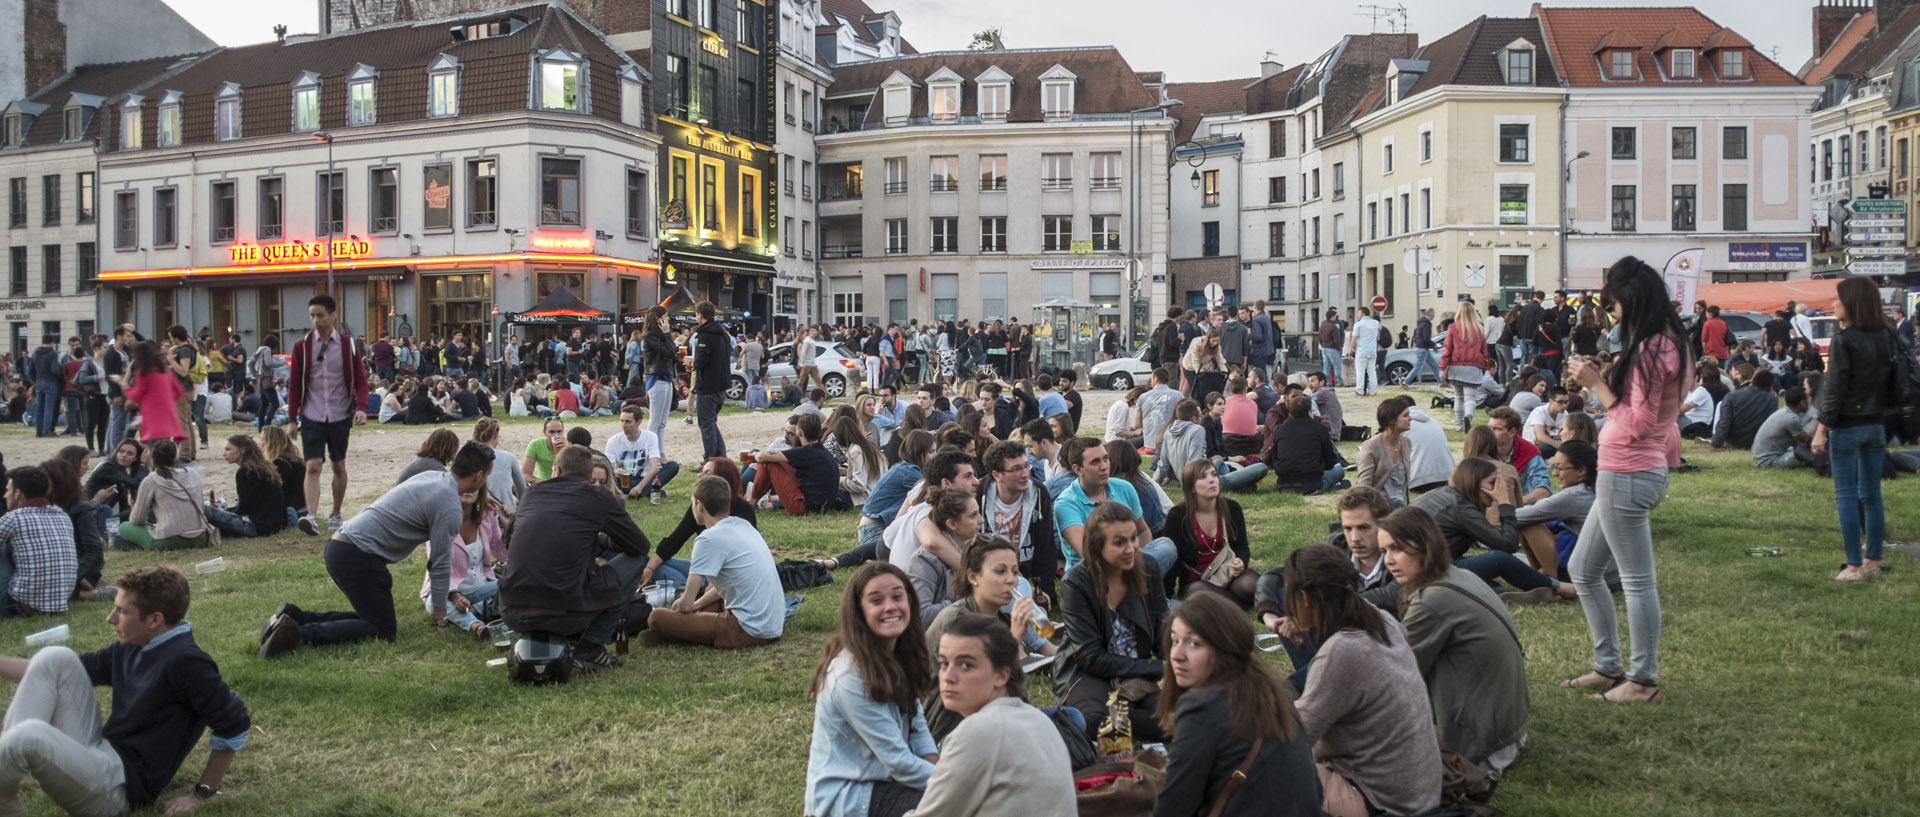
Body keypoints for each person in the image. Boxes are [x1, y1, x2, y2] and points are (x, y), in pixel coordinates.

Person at [0, 566, 249, 815]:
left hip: (117, 789)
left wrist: (201, 793)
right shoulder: (136, 643)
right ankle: (5, 787)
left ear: (155, 619)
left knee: (27, 735)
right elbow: (52, 672)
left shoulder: (186, 662)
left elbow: (234, 723)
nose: (110, 618)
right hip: (101, 753)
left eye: (121, 611)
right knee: (55, 657)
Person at [1561, 256, 1690, 704]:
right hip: (1627, 468)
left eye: (1613, 304)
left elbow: (1638, 423)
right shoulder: (1665, 342)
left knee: (1636, 580)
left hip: (1630, 469)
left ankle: (1642, 679)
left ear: (1630, 301)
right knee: (1582, 569)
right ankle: (1609, 666)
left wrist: (1597, 384)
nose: (1609, 313)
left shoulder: (1654, 348)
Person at [258, 442, 494, 658]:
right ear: (479, 475)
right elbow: (440, 564)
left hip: (342, 543)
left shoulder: (434, 477)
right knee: (382, 629)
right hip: (359, 555)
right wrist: (441, 618)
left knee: (372, 618)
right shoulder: (450, 505)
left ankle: (296, 618)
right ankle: (298, 635)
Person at [1282, 545, 1443, 817]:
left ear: (1305, 598)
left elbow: (1294, 735)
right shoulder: (1381, 619)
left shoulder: (1342, 651)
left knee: (1263, 769)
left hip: (1385, 803)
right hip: (1421, 792)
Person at [1377, 507, 1530, 773]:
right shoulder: (1461, 575)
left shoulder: (1432, 601)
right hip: (1509, 729)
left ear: (1426, 545)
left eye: (1397, 548)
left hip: (1478, 749)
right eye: (1384, 551)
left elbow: (1394, 681)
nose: (1389, 560)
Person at [1153, 592, 1320, 817]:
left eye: (1194, 643)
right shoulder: (1270, 690)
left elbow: (1173, 807)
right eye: (1174, 641)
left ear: (1224, 648)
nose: (1177, 655)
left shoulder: (1201, 707)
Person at [498, 445, 652, 671]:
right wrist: (600, 538)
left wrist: (591, 537)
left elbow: (509, 542)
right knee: (637, 560)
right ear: (590, 476)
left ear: (556, 470)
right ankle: (590, 648)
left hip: (512, 612)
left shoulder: (531, 493)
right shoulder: (597, 496)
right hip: (566, 614)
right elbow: (640, 546)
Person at [804, 563, 936, 817]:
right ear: (859, 612)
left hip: (885, 780)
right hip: (850, 796)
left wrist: (938, 769)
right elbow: (898, 762)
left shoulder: (898, 651)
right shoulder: (849, 677)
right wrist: (953, 785)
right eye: (876, 600)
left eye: (898, 597)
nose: (890, 606)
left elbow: (917, 723)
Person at [912, 612, 1075, 817]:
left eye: (966, 665)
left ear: (1002, 675)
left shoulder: (977, 732)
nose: (948, 677)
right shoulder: (1040, 720)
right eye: (944, 663)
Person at [920, 536, 1057, 742]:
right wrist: (1014, 639)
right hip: (951, 726)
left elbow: (1013, 689)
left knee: (1071, 718)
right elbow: (975, 686)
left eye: (1015, 571)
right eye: (1000, 571)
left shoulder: (999, 618)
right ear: (973, 577)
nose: (1012, 580)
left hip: (994, 717)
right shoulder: (956, 621)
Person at [1055, 501, 1169, 744]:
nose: (1131, 549)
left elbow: (1162, 629)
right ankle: (1107, 719)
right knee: (1095, 719)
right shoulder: (1076, 582)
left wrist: (1178, 662)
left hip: (1135, 667)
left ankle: (1128, 719)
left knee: (1175, 716)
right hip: (1085, 671)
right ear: (1098, 547)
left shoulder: (1148, 567)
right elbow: (1090, 657)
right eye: (1119, 542)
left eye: (1133, 538)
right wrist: (1159, 668)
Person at [1812, 276, 1901, 583]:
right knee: (1872, 495)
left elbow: (1835, 388)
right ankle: (1872, 560)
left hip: (1848, 425)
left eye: (1838, 299)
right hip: (1877, 423)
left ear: (1852, 303)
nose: (1833, 304)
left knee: (1846, 496)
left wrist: (1821, 429)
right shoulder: (1886, 335)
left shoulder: (1844, 339)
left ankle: (1852, 565)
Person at [643, 475, 785, 649]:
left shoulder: (708, 539)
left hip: (747, 630)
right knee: (709, 597)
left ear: (699, 505)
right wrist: (698, 605)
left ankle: (677, 632)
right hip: (773, 624)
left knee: (656, 617)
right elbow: (727, 585)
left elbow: (685, 605)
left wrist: (683, 606)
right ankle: (682, 631)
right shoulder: (743, 525)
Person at [285, 296, 369, 536]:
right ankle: (311, 516)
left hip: (339, 413)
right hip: (312, 413)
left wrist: (361, 406)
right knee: (312, 465)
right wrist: (292, 418)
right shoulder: (302, 347)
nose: (315, 320)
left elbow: (360, 379)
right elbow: (294, 384)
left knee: (339, 465)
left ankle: (335, 512)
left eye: (319, 315)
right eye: (312, 315)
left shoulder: (347, 345)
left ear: (333, 315)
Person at [1052, 438, 1176, 577]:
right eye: (1095, 462)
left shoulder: (1124, 487)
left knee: (1166, 545)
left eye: (1105, 458)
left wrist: (1131, 557)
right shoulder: (1066, 503)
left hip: (1130, 563)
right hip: (1092, 574)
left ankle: (1134, 585)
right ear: (1077, 469)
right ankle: (1137, 588)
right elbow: (1087, 553)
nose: (1104, 466)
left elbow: (1142, 531)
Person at [976, 440, 1059, 605]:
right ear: (996, 475)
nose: (1025, 474)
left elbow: (1045, 546)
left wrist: (1042, 589)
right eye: (1016, 469)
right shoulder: (980, 493)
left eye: (1025, 466)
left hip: (1026, 575)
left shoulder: (1038, 492)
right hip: (990, 574)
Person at [421, 483, 507, 640]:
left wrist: (509, 526)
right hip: (448, 590)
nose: (468, 490)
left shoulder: (487, 515)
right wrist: (455, 596)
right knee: (433, 602)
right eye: (463, 486)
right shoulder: (439, 521)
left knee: (512, 585)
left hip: (482, 586)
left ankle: (475, 609)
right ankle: (476, 626)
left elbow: (502, 553)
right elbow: (437, 568)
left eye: (473, 486)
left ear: (481, 490)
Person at [1165, 460, 1257, 607]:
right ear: (1191, 487)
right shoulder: (1178, 516)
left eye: (1214, 475)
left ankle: (1232, 602)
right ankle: (1239, 604)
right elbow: (1172, 561)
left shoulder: (1232, 508)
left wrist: (1241, 561)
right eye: (1202, 477)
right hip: (1197, 581)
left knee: (1251, 584)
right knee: (1198, 594)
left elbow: (1242, 546)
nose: (1211, 480)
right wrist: (1166, 597)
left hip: (1228, 573)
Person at [0, 467, 78, 617]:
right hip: (59, 604)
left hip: (20, 605)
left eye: (8, 490)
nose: (5, 495)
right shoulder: (62, 515)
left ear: (18, 494)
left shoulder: (13, 518)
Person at [114, 440, 210, 552]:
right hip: (201, 537)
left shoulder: (151, 480)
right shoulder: (193, 474)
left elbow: (137, 519)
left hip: (171, 539)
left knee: (124, 528)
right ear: (176, 458)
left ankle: (144, 546)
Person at [905, 489, 984, 623]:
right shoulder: (923, 561)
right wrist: (968, 602)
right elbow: (921, 616)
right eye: (973, 515)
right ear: (952, 524)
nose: (981, 520)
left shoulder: (971, 548)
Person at [750, 413, 847, 515]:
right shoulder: (822, 451)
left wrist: (755, 454)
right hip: (822, 505)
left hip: (805, 507)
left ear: (799, 432)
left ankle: (752, 502)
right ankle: (759, 498)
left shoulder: (805, 452)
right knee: (780, 464)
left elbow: (762, 457)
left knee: (768, 463)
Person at [202, 435, 287, 539]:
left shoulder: (245, 472)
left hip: (258, 528)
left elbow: (244, 508)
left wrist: (224, 512)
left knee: (202, 508)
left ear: (242, 450)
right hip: (276, 525)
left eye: (228, 449)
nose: (224, 454)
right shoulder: (265, 467)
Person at [1266, 395, 1344, 494]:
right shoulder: (1319, 428)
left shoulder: (1280, 430)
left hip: (1284, 483)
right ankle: (1318, 487)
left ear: (1290, 412)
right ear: (1310, 411)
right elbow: (1330, 461)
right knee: (1339, 470)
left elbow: (1276, 458)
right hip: (1311, 482)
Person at [119, 340, 186, 451]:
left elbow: (136, 396)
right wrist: (166, 400)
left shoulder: (143, 373)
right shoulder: (164, 370)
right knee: (165, 447)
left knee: (154, 449)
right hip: (167, 414)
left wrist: (125, 388)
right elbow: (179, 391)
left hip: (152, 417)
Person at [605, 404, 678, 504]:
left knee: (673, 466)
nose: (624, 425)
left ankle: (639, 492)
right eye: (621, 421)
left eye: (628, 422)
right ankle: (650, 492)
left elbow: (654, 467)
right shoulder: (613, 441)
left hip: (645, 479)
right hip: (624, 481)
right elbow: (610, 468)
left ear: (638, 422)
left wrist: (640, 486)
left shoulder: (650, 437)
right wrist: (616, 471)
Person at [1439, 300, 1495, 431]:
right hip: (1473, 367)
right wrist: (1484, 367)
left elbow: (1447, 349)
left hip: (1455, 367)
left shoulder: (1452, 328)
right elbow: (1484, 351)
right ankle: (1468, 416)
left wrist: (1442, 368)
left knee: (1458, 397)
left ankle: (1459, 425)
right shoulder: (1479, 329)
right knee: (1470, 397)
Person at [1356, 396, 1415, 508]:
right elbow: (1364, 485)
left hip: (1402, 506)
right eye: (1405, 415)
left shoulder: (1406, 443)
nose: (1410, 418)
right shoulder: (1371, 446)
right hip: (1379, 507)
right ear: (1392, 421)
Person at [1486, 407, 1552, 505]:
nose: (1489, 433)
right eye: (1489, 428)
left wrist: (1515, 504)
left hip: (1522, 508)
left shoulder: (1528, 452)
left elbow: (1543, 490)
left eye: (1496, 429)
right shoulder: (1483, 450)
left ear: (1512, 432)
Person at [691, 302, 730, 459]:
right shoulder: (723, 334)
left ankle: (711, 458)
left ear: (700, 315)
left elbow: (702, 360)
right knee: (711, 422)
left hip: (708, 384)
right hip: (721, 383)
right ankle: (720, 456)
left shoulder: (705, 334)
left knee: (706, 423)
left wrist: (692, 362)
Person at [85, 439, 148, 531]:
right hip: (92, 515)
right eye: (121, 451)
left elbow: (123, 503)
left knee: (135, 512)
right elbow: (135, 484)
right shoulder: (108, 466)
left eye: (129, 453)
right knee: (139, 513)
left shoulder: (119, 470)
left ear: (135, 458)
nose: (124, 455)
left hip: (101, 513)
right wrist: (142, 464)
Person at [1710, 369, 1779, 451]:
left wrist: (1714, 445)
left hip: (1733, 442)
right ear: (1770, 385)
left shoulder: (1731, 396)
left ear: (1752, 380)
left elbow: (1724, 423)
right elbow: (1771, 425)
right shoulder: (1772, 400)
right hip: (1756, 442)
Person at [471, 418, 525, 513]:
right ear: (495, 434)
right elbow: (522, 491)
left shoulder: (466, 457)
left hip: (477, 511)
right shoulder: (508, 457)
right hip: (505, 511)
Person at [1753, 387, 1816, 469]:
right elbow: (1804, 440)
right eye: (1807, 400)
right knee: (1806, 454)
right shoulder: (1791, 419)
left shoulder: (1783, 412)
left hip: (1761, 458)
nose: (1808, 403)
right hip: (1770, 461)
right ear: (1802, 402)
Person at [1137, 368, 1184, 452]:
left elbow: (1136, 424)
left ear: (1155, 379)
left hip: (1150, 445)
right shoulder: (1178, 395)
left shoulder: (1143, 397)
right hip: (1172, 443)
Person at [1345, 307, 1384, 396]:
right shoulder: (1376, 323)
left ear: (1363, 314)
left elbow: (1354, 338)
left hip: (1361, 351)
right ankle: (1373, 391)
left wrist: (1350, 349)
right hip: (1373, 351)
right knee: (1372, 371)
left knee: (1360, 371)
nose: (1358, 316)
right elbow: (1378, 336)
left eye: (1359, 314)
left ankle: (1360, 390)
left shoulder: (1358, 324)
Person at [1524, 387, 1569, 459]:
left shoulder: (1564, 413)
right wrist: (1561, 447)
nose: (1564, 405)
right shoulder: (1539, 412)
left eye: (1566, 402)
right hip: (1533, 445)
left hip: (1551, 443)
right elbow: (1541, 437)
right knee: (1546, 448)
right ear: (1551, 400)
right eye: (1560, 402)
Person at [522, 417, 568, 484]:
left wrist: (569, 450)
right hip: (544, 483)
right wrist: (543, 482)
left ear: (563, 431)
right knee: (515, 487)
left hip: (566, 483)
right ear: (544, 432)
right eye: (552, 432)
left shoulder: (570, 443)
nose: (556, 435)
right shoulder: (535, 445)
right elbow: (525, 474)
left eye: (559, 431)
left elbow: (580, 472)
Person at [1401, 308, 1440, 387]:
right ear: (1429, 314)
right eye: (1433, 314)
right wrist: (1434, 345)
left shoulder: (1422, 323)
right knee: (1418, 367)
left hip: (1422, 348)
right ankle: (1405, 383)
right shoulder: (1426, 324)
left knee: (1434, 365)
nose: (1434, 315)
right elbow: (1425, 338)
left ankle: (1442, 383)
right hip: (1423, 349)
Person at [1305, 372, 1342, 444]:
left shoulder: (1323, 393)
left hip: (1330, 434)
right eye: (1308, 382)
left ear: (1322, 382)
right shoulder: (1328, 392)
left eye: (1312, 381)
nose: (1309, 384)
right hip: (1333, 432)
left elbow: (1302, 401)